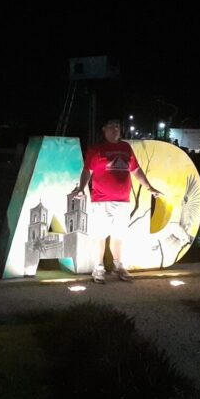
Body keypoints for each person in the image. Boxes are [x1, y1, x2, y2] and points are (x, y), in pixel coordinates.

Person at [69, 119, 162, 283]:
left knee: (118, 236)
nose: (115, 129)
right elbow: (87, 170)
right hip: (101, 200)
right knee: (100, 235)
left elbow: (136, 170)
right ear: (104, 129)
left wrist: (149, 187)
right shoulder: (97, 149)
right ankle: (98, 268)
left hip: (123, 201)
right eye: (111, 126)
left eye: (118, 126)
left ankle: (119, 266)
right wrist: (81, 188)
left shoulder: (126, 148)